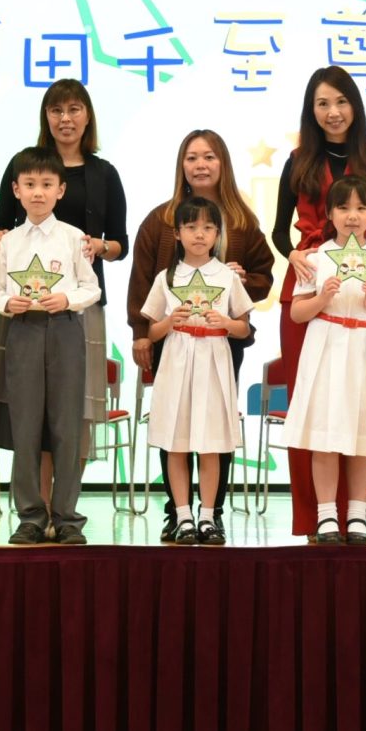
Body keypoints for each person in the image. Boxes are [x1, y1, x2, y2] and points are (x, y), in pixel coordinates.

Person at [0, 80, 128, 526]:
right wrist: (5, 246)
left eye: (74, 109)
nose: (65, 118)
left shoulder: (104, 174)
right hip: (24, 315)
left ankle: (63, 513)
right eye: (56, 110)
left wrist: (95, 248)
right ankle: (35, 514)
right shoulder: (23, 163)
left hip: (74, 311)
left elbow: (119, 243)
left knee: (72, 415)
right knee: (27, 417)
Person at [126, 130, 276, 542]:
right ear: (182, 166)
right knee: (173, 423)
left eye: (209, 156)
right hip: (172, 341)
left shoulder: (242, 219)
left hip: (221, 342)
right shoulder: (161, 219)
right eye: (192, 157)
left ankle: (213, 511)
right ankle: (178, 513)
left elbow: (264, 276)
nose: (201, 165)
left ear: (222, 163)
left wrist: (243, 280)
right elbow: (142, 279)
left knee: (216, 426)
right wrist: (141, 333)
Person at [274, 66, 366, 541]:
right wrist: (292, 254)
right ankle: (316, 518)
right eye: (323, 103)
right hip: (310, 284)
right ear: (311, 110)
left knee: (356, 404)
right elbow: (277, 230)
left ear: (355, 106)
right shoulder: (297, 161)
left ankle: (355, 514)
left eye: (341, 101)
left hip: (359, 295)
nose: (333, 112)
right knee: (310, 407)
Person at [283, 175, 366, 545]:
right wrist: (322, 299)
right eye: (343, 207)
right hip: (326, 345)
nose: (352, 216)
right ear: (329, 213)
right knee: (324, 433)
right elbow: (297, 313)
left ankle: (357, 514)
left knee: (362, 435)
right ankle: (326, 516)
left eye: (361, 207)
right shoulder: (314, 258)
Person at [0, 146, 100, 545]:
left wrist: (67, 298)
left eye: (47, 184)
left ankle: (67, 517)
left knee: (67, 426)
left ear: (60, 190)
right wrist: (8, 304)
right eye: (30, 184)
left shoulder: (74, 238)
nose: (38, 192)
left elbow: (91, 287)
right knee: (25, 427)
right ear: (16, 190)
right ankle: (31, 517)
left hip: (65, 329)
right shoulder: (9, 242)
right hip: (23, 331)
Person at [138, 197, 254, 545]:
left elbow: (244, 328)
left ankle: (208, 516)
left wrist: (226, 323)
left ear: (218, 234)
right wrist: (169, 322)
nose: (199, 235)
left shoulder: (228, 276)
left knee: (211, 443)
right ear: (178, 233)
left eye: (207, 228)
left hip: (214, 359)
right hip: (177, 359)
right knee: (176, 441)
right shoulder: (166, 277)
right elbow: (152, 331)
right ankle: (183, 516)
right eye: (191, 227)